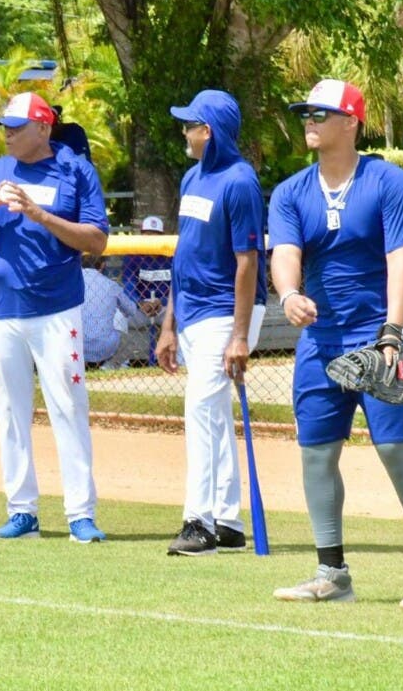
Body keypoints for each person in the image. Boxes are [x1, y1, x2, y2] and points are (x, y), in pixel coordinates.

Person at [268, 78, 403, 610]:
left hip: (381, 337)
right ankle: (332, 574)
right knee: (316, 456)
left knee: (396, 449)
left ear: (351, 121)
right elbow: (285, 253)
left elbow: (402, 259)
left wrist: (393, 337)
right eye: (305, 112)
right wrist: (288, 295)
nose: (309, 120)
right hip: (321, 343)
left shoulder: (387, 182)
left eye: (320, 113)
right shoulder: (290, 192)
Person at [0, 91, 111, 543]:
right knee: (9, 410)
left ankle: (80, 514)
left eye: (17, 126)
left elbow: (97, 241)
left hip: (55, 307)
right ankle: (22, 511)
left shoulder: (75, 169)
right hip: (3, 307)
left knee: (67, 408)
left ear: (43, 128)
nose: (7, 134)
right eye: (4, 126)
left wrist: (39, 213)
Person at [154, 90, 268, 556]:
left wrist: (240, 335)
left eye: (190, 124)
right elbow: (185, 254)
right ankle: (228, 522)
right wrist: (167, 324)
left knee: (200, 409)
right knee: (215, 417)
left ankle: (197, 521)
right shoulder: (191, 177)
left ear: (210, 131)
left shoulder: (240, 182)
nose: (184, 131)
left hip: (228, 310)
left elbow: (248, 262)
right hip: (193, 311)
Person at [120, 215, 173, 364]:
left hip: (165, 307)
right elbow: (128, 285)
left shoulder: (171, 254)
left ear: (162, 237)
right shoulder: (133, 255)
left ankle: (179, 360)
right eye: (147, 235)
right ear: (141, 235)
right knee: (118, 318)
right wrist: (140, 302)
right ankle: (121, 361)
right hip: (141, 308)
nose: (150, 239)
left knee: (181, 315)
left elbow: (178, 287)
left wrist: (162, 301)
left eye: (155, 236)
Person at [80, 254, 139, 366]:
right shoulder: (111, 285)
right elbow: (132, 310)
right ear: (103, 265)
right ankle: (109, 366)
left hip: (76, 343)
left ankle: (82, 366)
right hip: (105, 346)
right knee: (128, 337)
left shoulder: (72, 283)